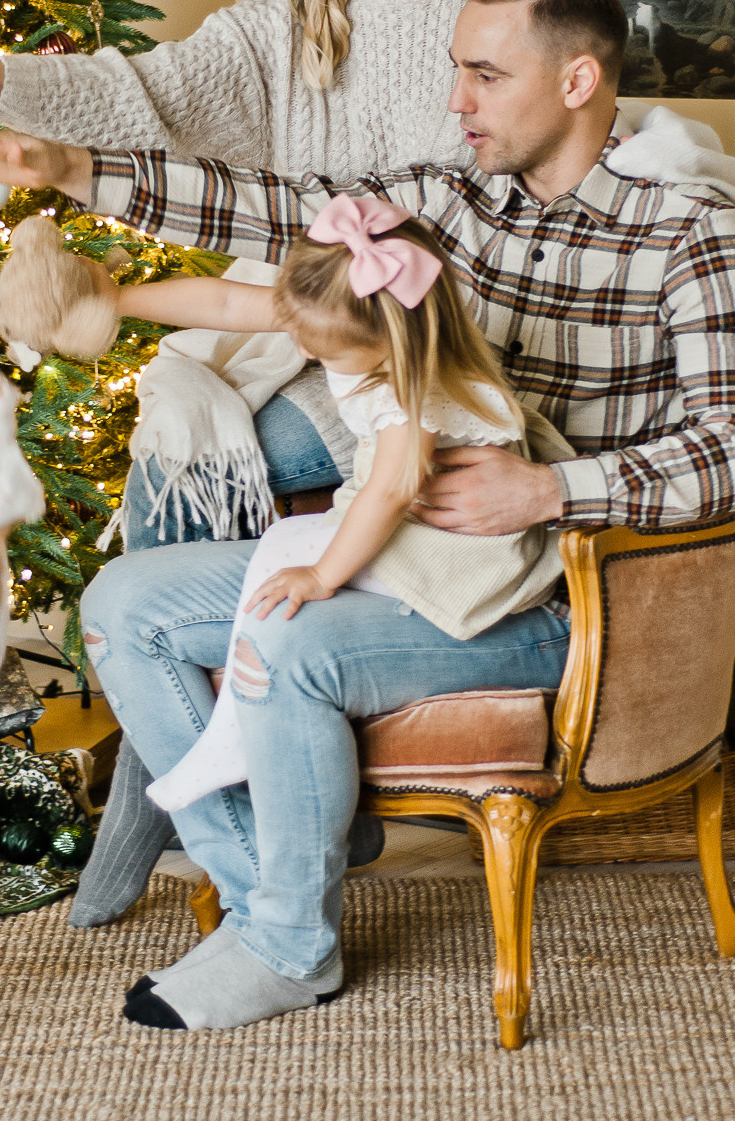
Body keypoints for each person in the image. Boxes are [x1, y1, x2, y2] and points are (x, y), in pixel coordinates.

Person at [0, 0, 735, 1033]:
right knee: (125, 607)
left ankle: (286, 942)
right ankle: (266, 901)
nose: (455, 99)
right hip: (401, 562)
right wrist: (72, 170)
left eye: (483, 74)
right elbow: (275, 214)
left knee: (290, 643)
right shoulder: (448, 206)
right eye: (452, 70)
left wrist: (547, 490)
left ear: (574, 83)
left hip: (547, 601)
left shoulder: (686, 235)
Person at [0, 0, 521, 927]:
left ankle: (154, 787)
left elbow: (444, 219)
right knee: (179, 424)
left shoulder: (492, 17)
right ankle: (193, 782)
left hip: (417, 349)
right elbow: (142, 92)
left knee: (242, 443)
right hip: (292, 316)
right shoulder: (289, 21)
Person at [88, 192, 561, 814]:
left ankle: (228, 740)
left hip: (453, 555)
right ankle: (228, 741)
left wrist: (321, 574)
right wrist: (115, 300)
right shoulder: (344, 313)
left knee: (289, 558)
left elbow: (391, 490)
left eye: (327, 351)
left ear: (393, 339)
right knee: (283, 559)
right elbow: (224, 301)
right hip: (405, 520)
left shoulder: (416, 389)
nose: (309, 354)